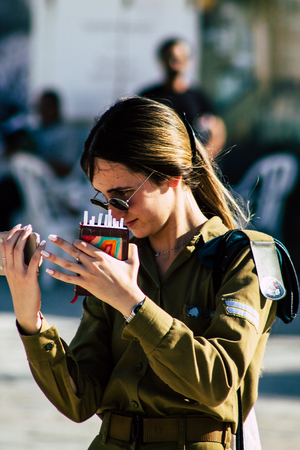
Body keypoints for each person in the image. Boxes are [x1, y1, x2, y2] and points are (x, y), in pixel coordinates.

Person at [2, 96, 277, 450]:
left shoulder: (244, 255)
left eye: (122, 194)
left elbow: (216, 381)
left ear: (172, 174)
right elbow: (79, 401)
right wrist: (29, 317)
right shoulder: (117, 256)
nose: (114, 213)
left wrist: (131, 302)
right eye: (103, 198)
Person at [139, 38, 227, 158]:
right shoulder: (148, 97)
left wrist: (202, 161)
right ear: (162, 59)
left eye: (180, 57)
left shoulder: (198, 98)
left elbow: (217, 130)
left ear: (188, 61)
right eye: (170, 57)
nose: (175, 62)